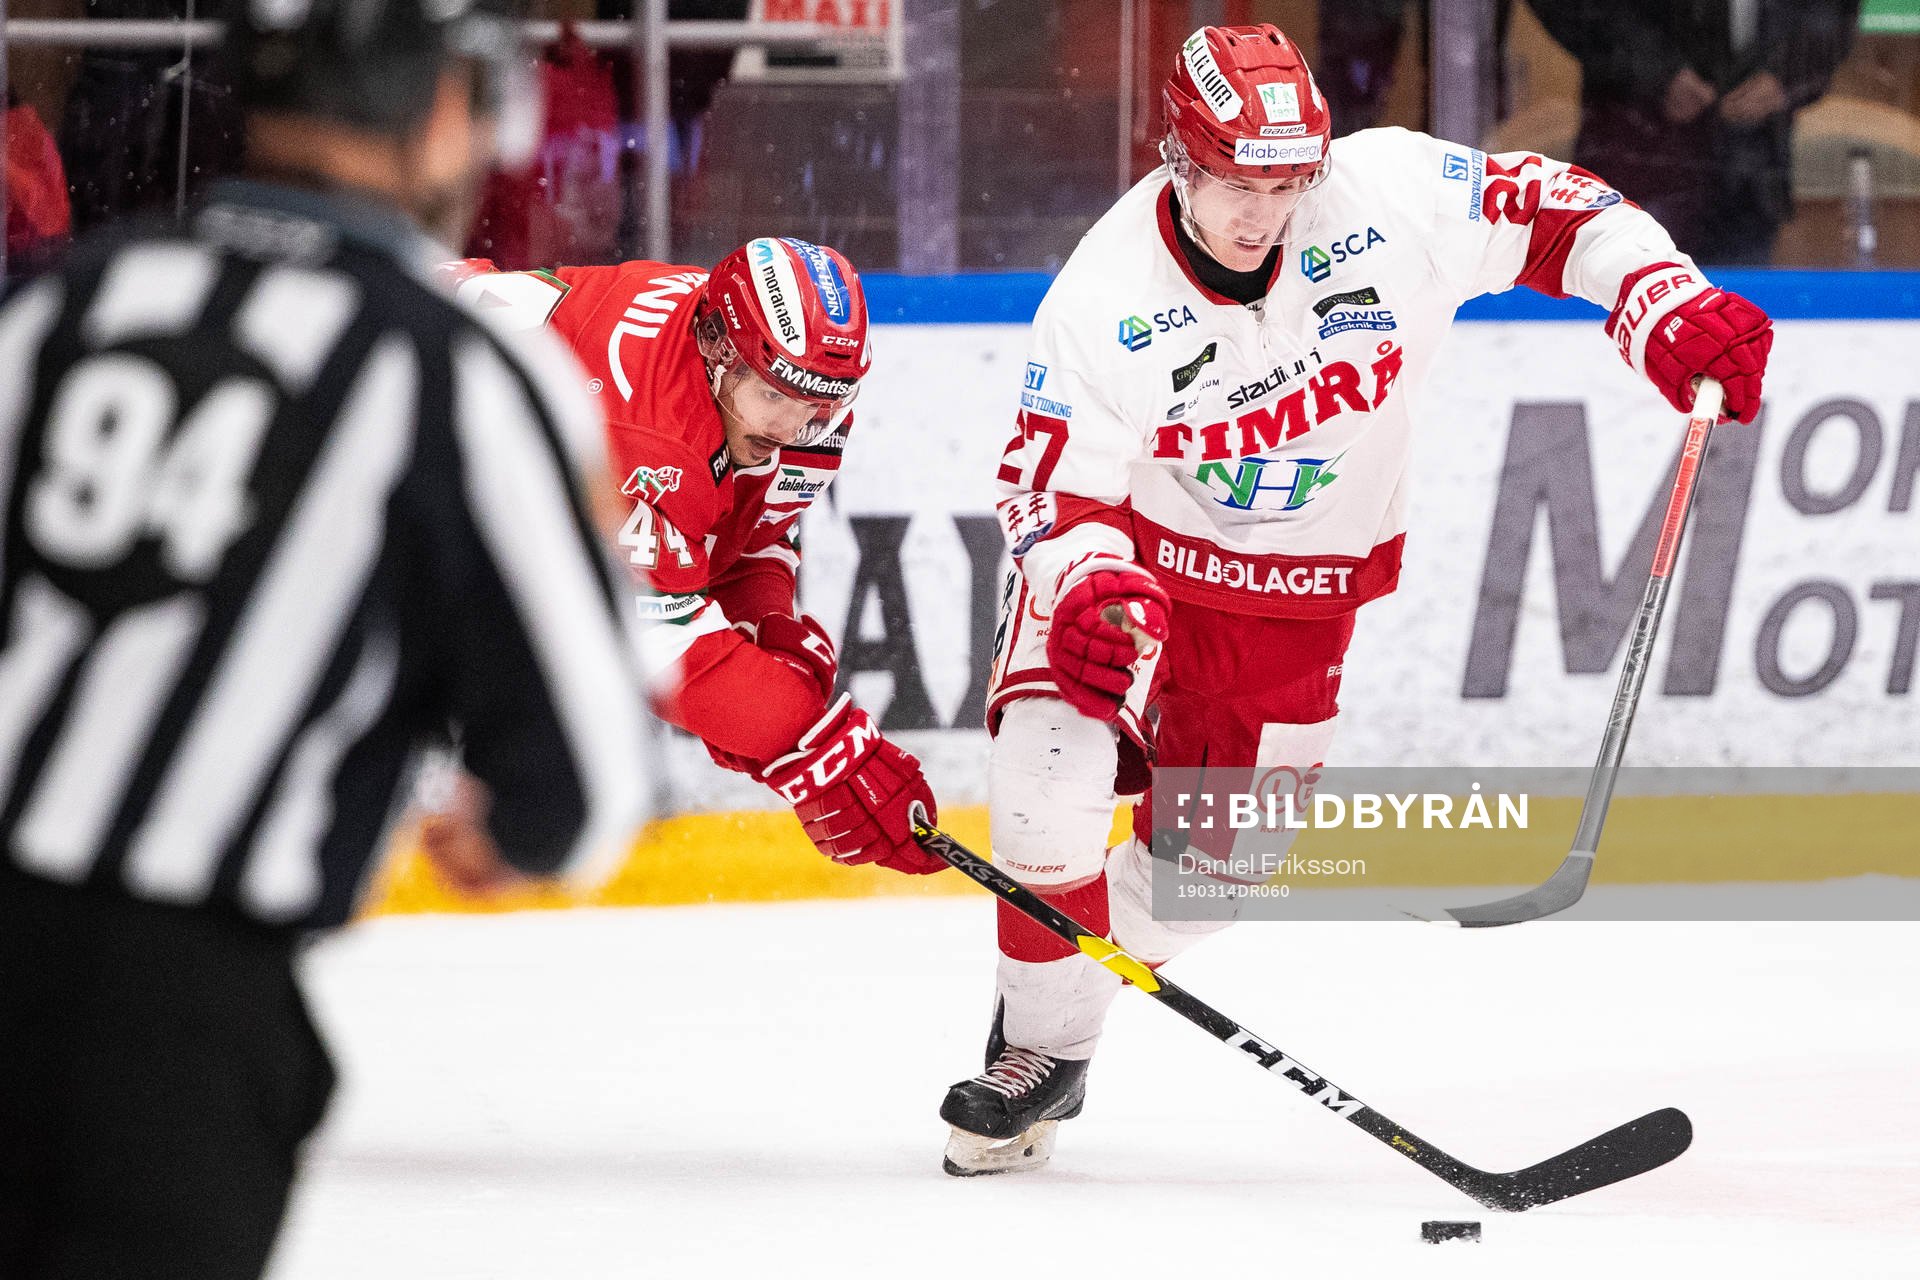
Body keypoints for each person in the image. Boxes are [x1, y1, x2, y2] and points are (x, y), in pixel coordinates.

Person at [942, 22, 1774, 1176]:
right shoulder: (1103, 296)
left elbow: (1561, 212)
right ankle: (1040, 1048)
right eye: (1236, 182)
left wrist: (1662, 300)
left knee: (1207, 886)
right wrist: (1083, 587)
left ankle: (1058, 976)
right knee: (1045, 795)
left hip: (1299, 598)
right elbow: (1048, 487)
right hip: (1133, 569)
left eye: (1287, 183)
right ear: (1179, 160)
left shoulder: (1387, 191)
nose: (1263, 212)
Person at [0, 0, 657, 1274]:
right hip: (175, 1025)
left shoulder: (62, 305)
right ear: (449, 113)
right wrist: (509, 831)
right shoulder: (460, 371)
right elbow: (580, 777)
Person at [442, 240, 944, 877]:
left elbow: (741, 532)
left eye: (819, 405)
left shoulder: (780, 379)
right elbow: (662, 650)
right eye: (776, 397)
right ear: (718, 351)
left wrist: (762, 626)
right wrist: (819, 742)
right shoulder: (644, 437)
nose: (795, 428)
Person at [1528, 0, 1860, 264]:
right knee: (1627, 298)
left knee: (1735, 318)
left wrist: (1787, 73)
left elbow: (1831, 13)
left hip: (1751, 167)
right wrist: (1654, 70)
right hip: (1638, 148)